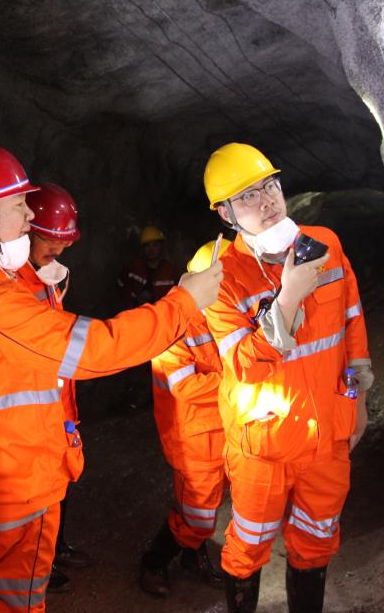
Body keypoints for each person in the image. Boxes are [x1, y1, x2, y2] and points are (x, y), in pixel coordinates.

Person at [0, 144, 223, 613]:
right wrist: (184, 303)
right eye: (19, 205)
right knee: (13, 599)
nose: (28, 217)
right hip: (19, 482)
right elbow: (96, 349)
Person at [201, 143, 372, 613]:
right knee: (248, 546)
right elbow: (244, 366)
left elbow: (353, 324)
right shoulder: (222, 280)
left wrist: (358, 400)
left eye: (269, 186)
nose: (267, 201)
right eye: (247, 196)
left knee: (317, 540)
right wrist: (289, 296)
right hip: (264, 446)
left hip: (328, 434)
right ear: (225, 213)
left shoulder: (326, 244)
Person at [139, 239, 230, 598]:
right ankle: (154, 562)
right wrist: (241, 382)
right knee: (197, 511)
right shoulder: (173, 322)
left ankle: (193, 557)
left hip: (223, 428)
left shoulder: (228, 312)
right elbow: (185, 387)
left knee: (210, 503)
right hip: (194, 437)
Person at [16, 183, 88, 594]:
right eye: (50, 240)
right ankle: (36, 567)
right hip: (34, 417)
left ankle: (54, 550)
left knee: (59, 486)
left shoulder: (46, 279)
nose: (58, 250)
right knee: (36, 498)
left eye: (64, 242)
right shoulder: (13, 287)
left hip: (58, 407)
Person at [117, 225, 183, 308]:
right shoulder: (135, 267)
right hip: (137, 312)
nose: (151, 249)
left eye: (155, 245)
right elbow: (121, 287)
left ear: (161, 247)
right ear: (143, 248)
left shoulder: (171, 271)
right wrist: (134, 301)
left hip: (161, 314)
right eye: (147, 245)